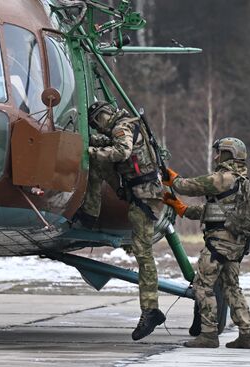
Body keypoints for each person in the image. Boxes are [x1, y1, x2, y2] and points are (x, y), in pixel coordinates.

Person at [76, 101, 166, 341]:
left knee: (143, 253)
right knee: (97, 164)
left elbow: (121, 152)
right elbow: (111, 144)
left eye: (96, 122)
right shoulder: (128, 124)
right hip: (139, 191)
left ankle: (150, 309)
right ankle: (90, 213)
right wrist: (89, 142)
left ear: (104, 116)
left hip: (144, 197)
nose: (98, 127)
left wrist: (88, 152)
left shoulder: (121, 129)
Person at [163, 137, 250, 349]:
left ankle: (208, 334)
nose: (216, 156)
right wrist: (183, 209)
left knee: (203, 285)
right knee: (232, 287)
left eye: (219, 152)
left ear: (228, 154)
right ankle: (247, 334)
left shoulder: (223, 178)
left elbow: (189, 186)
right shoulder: (244, 183)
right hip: (236, 245)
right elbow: (216, 212)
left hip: (218, 244)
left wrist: (172, 179)